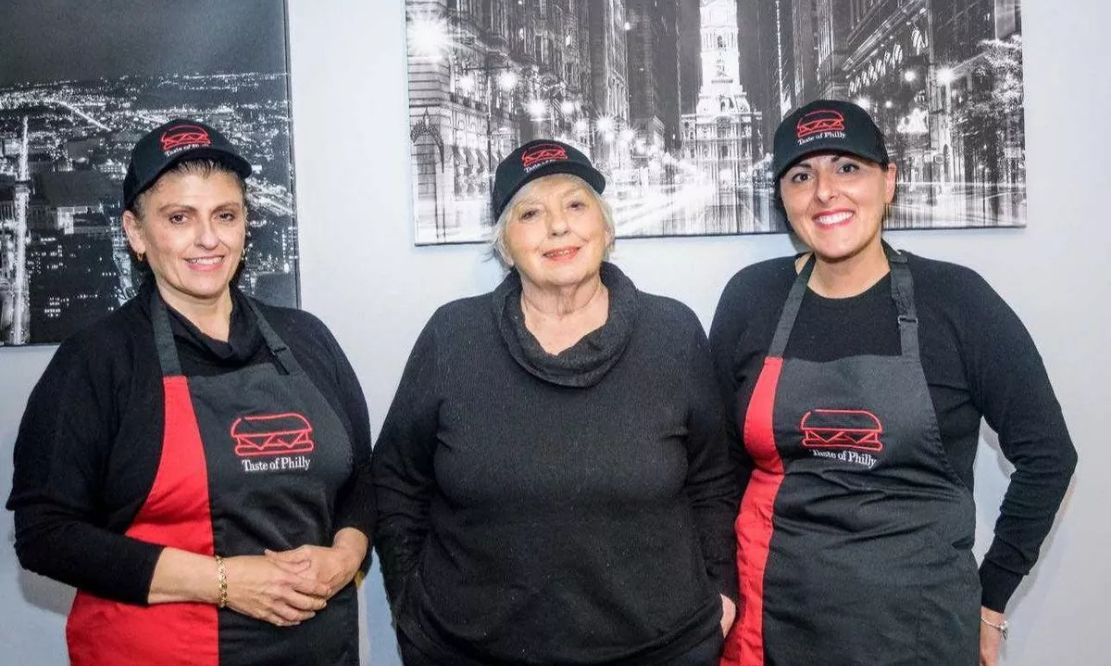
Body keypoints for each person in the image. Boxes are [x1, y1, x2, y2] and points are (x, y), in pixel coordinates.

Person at [710, 100, 1077, 666]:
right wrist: (723, 587)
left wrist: (992, 600)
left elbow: (1048, 455)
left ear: (889, 181)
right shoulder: (750, 300)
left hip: (920, 630)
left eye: (847, 167)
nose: (825, 191)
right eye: (802, 175)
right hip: (773, 625)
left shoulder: (958, 302)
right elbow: (720, 468)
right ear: (783, 198)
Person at [7, 119, 374, 665]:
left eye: (225, 215)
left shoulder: (308, 339)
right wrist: (223, 581)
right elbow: (46, 533)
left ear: (245, 223)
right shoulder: (97, 362)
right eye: (179, 218)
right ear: (135, 233)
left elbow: (363, 482)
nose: (208, 238)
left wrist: (345, 556)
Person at [373, 139, 738, 665]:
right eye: (530, 213)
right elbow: (397, 480)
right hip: (470, 652)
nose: (558, 226)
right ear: (505, 244)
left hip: (660, 650)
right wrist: (410, 604)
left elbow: (713, 480)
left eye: (575, 204)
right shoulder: (451, 336)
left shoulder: (673, 333)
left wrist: (719, 598)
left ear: (605, 227)